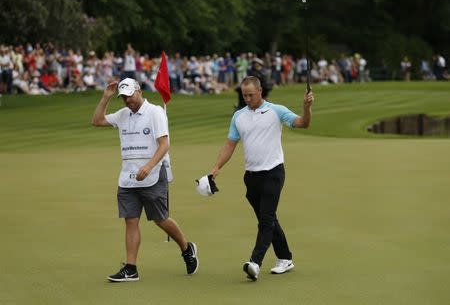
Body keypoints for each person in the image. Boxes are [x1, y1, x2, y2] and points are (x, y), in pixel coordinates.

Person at [91, 78, 198, 282]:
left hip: (153, 174)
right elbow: (97, 121)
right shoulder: (123, 115)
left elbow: (164, 144)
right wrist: (106, 97)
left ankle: (186, 248)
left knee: (160, 219)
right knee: (130, 221)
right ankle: (131, 268)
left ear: (139, 91)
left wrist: (148, 167)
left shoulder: (155, 112)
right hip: (127, 177)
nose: (127, 100)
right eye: (123, 97)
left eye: (130, 95)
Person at [210, 76, 314, 281]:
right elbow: (230, 144)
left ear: (260, 91)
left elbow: (303, 124)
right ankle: (285, 258)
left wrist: (306, 108)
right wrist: (217, 167)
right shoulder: (238, 116)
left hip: (273, 173)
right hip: (251, 177)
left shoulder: (277, 110)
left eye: (250, 94)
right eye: (244, 95)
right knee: (268, 219)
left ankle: (254, 263)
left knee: (266, 220)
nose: (247, 98)